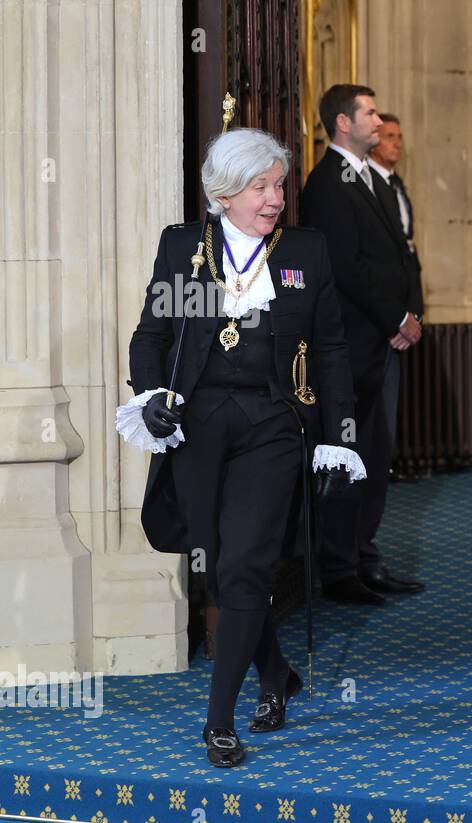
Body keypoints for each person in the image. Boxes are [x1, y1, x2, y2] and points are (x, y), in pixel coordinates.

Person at [120, 127, 364, 767]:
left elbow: (332, 350)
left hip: (273, 424)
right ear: (225, 194)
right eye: (261, 187)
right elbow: (150, 336)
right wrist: (150, 394)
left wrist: (339, 435)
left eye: (279, 185)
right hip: (198, 425)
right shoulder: (186, 252)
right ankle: (276, 672)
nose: (276, 198)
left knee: (246, 567)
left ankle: (219, 722)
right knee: (215, 563)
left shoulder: (303, 255)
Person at [300, 84, 425, 604]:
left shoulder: (371, 178)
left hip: (383, 343)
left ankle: (365, 556)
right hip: (351, 347)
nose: (379, 120)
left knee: (375, 455)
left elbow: (398, 254)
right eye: (370, 113)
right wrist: (395, 315)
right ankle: (339, 570)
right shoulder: (327, 183)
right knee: (348, 455)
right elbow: (345, 269)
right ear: (343, 123)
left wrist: (409, 314)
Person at [367, 112, 424, 453]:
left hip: (403, 310)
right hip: (378, 320)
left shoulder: (395, 183)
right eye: (388, 136)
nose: (396, 143)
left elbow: (408, 252)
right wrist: (395, 319)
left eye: (399, 136)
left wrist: (415, 311)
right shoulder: (368, 186)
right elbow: (371, 263)